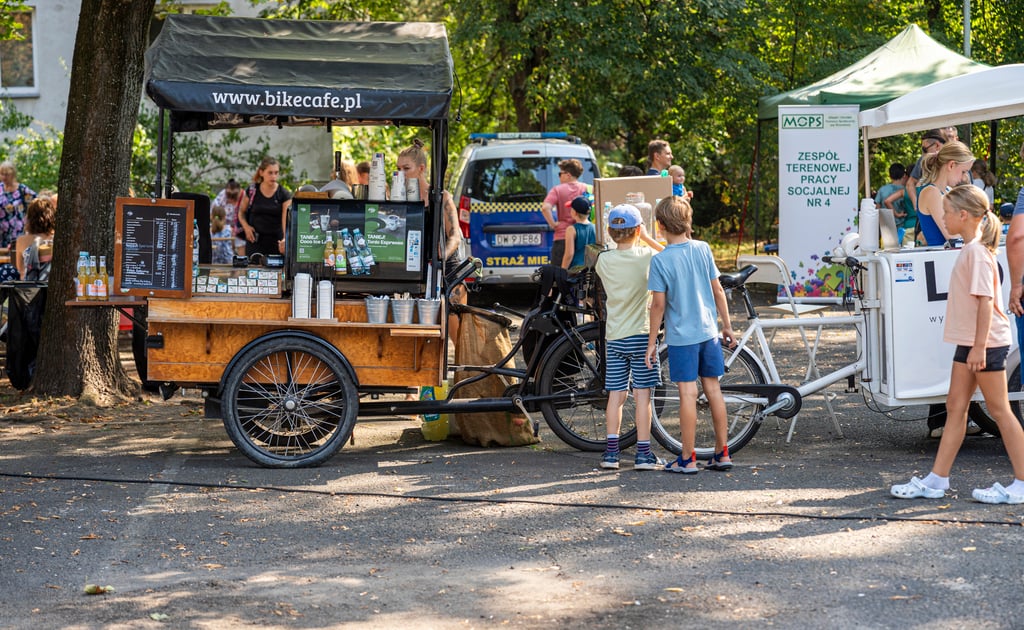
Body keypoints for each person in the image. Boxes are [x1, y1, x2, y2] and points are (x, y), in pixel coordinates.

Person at [891, 185, 1024, 504]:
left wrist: (978, 348)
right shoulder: (970, 249)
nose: (943, 218)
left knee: (1000, 411)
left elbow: (984, 303)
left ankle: (1022, 481)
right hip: (971, 343)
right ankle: (937, 480)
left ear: (963, 215)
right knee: (955, 408)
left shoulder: (977, 252)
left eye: (947, 212)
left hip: (985, 343)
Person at [645, 196, 736, 474]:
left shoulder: (660, 261)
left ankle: (687, 458)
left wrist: (651, 343)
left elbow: (658, 305)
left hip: (682, 338)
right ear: (688, 221)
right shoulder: (703, 249)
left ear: (660, 226)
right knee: (713, 390)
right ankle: (722, 453)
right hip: (708, 333)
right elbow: (718, 290)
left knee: (687, 393)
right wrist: (727, 325)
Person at [596, 203, 665, 470]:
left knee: (616, 395)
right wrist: (647, 237)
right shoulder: (647, 256)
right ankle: (643, 454)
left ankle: (611, 453)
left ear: (610, 231)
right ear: (638, 229)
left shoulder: (603, 260)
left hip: (613, 337)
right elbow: (671, 253)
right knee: (643, 396)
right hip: (641, 336)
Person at [916, 141, 975, 247]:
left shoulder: (946, 190)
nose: (964, 177)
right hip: (941, 259)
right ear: (951, 165)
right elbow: (953, 236)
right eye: (963, 172)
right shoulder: (932, 192)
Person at [237, 156, 292, 258]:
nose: (273, 176)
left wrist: (285, 239)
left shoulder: (283, 194)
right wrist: (246, 227)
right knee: (253, 271)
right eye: (270, 173)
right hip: (255, 240)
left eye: (276, 173)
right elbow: (241, 212)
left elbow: (286, 219)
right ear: (261, 172)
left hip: (276, 242)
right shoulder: (252, 190)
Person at [541, 158, 589, 267]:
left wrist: (553, 224)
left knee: (559, 275)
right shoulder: (586, 188)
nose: (559, 177)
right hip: (582, 237)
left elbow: (545, 208)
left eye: (560, 173)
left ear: (568, 174)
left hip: (562, 237)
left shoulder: (557, 190)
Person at [905, 129, 946, 216]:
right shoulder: (923, 160)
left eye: (924, 149)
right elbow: (910, 184)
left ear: (937, 145)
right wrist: (917, 206)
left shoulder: (953, 159)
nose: (923, 154)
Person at [14, 195, 55, 280]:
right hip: (54, 286)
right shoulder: (58, 239)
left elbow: (21, 270)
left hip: (30, 289)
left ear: (30, 218)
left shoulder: (21, 241)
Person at [0, 161, 36, 251]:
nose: (4, 177)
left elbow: (37, 202)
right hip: (2, 233)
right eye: (2, 174)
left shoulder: (22, 189)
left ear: (13, 175)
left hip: (18, 232)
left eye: (7, 174)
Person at [562, 196, 596, 269]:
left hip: (576, 272)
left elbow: (569, 254)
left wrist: (563, 270)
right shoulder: (595, 228)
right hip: (591, 271)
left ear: (574, 212)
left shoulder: (571, 229)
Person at [212, 178, 244, 255]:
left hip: (239, 229)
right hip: (222, 226)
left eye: (234, 195)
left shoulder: (244, 196)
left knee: (239, 244)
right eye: (229, 195)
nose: (231, 198)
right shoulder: (222, 196)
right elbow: (214, 212)